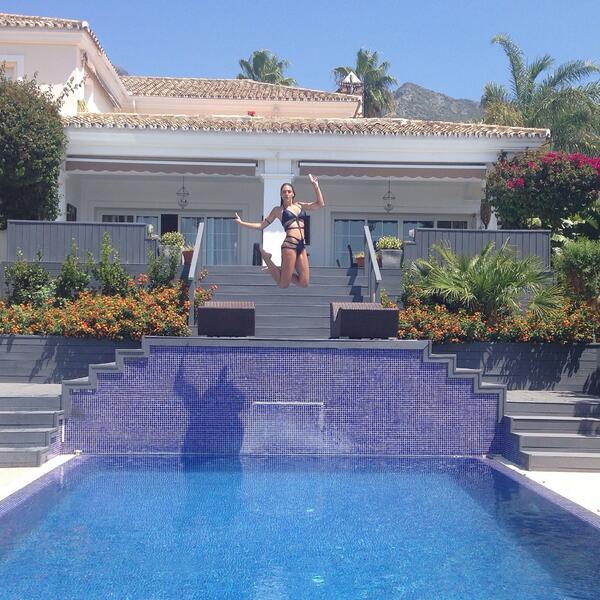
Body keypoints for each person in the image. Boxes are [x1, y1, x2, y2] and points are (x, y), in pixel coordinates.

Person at [234, 174, 324, 288]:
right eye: (284, 192)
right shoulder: (278, 210)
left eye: (289, 191)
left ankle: (275, 269)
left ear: (293, 194)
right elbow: (261, 225)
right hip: (289, 245)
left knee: (304, 282)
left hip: (302, 245)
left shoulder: (300, 205)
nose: (286, 193)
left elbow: (320, 204)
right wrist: (242, 223)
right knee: (283, 284)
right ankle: (267, 259)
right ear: (281, 195)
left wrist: (316, 186)